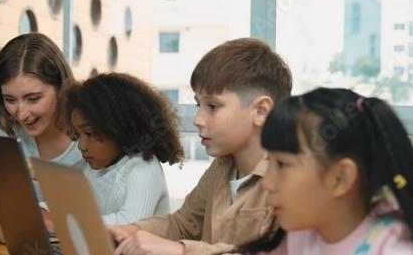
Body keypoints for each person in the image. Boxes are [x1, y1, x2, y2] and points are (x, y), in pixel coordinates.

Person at [109, 37, 293, 255]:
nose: (198, 119)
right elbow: (184, 224)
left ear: (261, 111)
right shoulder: (221, 167)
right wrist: (131, 230)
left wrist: (180, 250)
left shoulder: (289, 178)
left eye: (213, 106)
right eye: (199, 104)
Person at [228, 88, 413, 255]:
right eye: (270, 162)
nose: (267, 183)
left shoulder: (393, 249)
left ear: (341, 178)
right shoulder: (302, 236)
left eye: (282, 164)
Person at [59, 72, 185, 225]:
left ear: (119, 129)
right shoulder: (93, 168)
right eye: (79, 135)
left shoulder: (143, 167)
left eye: (90, 133)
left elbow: (130, 223)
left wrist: (65, 221)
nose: (81, 145)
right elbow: (62, 202)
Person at [0, 32, 82, 203]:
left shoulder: (92, 138)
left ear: (61, 88)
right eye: (10, 100)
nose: (21, 114)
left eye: (33, 98)